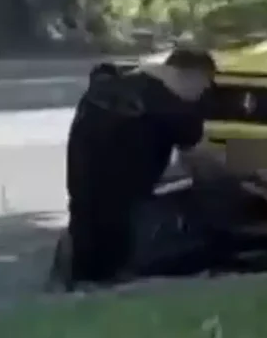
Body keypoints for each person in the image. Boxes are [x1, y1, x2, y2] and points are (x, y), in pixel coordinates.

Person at [61, 46, 217, 289]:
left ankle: (79, 280)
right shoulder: (174, 107)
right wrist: (251, 170)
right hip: (123, 190)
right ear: (194, 76)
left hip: (83, 169)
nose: (201, 96)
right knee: (118, 234)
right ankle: (107, 281)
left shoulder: (115, 83)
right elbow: (202, 161)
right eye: (203, 88)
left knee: (86, 220)